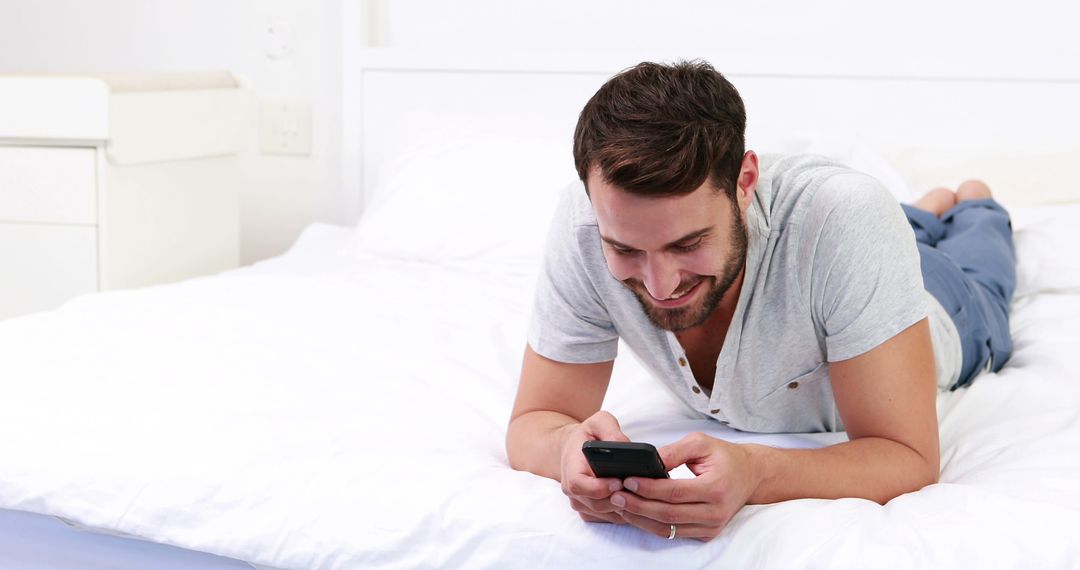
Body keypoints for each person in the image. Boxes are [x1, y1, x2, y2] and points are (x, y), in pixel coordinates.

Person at [505, 60, 1016, 542]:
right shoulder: (586, 220)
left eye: (687, 244)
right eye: (625, 249)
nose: (660, 286)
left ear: (745, 183)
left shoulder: (849, 220)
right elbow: (536, 421)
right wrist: (566, 447)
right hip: (856, 264)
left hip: (950, 305)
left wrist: (756, 473)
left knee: (977, 247)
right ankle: (923, 212)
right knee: (896, 229)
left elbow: (907, 456)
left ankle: (975, 201)